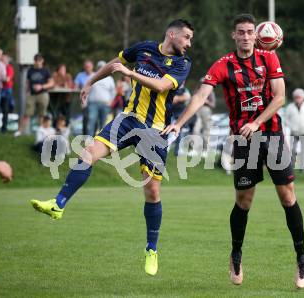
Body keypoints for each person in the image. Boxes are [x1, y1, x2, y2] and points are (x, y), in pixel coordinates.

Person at [29, 19, 194, 277]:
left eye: (190, 39)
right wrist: (90, 82)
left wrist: (130, 74)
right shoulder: (144, 49)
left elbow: (161, 86)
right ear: (171, 34)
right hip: (128, 119)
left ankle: (151, 249)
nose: (188, 43)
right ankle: (58, 204)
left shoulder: (183, 64)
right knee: (88, 153)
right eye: (186, 37)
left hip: (156, 129)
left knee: (151, 191)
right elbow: (114, 64)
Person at [163, 14, 304, 288]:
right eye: (240, 32)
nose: (245, 36)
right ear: (234, 36)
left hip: (272, 135)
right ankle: (236, 255)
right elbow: (200, 96)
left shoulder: (269, 58)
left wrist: (256, 122)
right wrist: (179, 124)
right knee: (244, 201)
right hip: (243, 141)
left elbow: (280, 98)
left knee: (288, 197)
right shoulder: (223, 65)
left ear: (256, 35)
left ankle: (301, 259)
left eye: (249, 32)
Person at [15, 53, 54, 136]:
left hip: (43, 94)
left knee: (42, 114)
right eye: (36, 60)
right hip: (32, 95)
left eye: (39, 60)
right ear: (34, 61)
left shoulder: (46, 70)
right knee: (27, 114)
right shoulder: (30, 70)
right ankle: (19, 131)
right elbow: (28, 82)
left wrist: (42, 86)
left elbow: (51, 83)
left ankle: (41, 133)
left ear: (42, 61)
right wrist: (27, 90)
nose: (38, 62)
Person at [285, 88, 304, 171]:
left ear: (303, 97)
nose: (298, 98)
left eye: (299, 97)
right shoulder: (290, 107)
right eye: (296, 97)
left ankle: (302, 167)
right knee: (293, 149)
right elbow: (286, 119)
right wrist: (291, 126)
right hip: (294, 132)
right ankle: (292, 166)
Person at [87, 60, 116, 136]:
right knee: (91, 122)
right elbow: (87, 89)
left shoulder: (110, 79)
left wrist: (111, 102)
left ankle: (99, 143)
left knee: (103, 125)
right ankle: (89, 141)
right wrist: (85, 102)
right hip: (93, 104)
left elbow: (113, 92)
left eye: (103, 67)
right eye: (99, 67)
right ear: (97, 68)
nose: (101, 68)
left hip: (105, 105)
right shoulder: (92, 76)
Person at [193, 78, 216, 155]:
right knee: (196, 129)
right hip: (197, 110)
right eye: (202, 82)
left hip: (206, 111)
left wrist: (207, 102)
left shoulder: (211, 92)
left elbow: (213, 105)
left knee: (206, 131)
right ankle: (195, 149)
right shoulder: (197, 91)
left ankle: (205, 150)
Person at [74, 60, 95, 135]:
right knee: (85, 118)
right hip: (84, 99)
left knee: (93, 118)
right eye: (86, 67)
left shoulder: (96, 75)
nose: (87, 68)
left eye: (89, 66)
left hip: (94, 99)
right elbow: (75, 87)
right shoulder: (80, 75)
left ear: (92, 67)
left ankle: (94, 135)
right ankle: (84, 135)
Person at [171, 81, 191, 156]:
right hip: (170, 113)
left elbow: (187, 97)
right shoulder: (173, 88)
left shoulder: (185, 90)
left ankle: (177, 151)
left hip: (180, 114)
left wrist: (177, 98)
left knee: (179, 133)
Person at [0, 54, 15, 133]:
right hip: (0, 89)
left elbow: (7, 79)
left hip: (6, 90)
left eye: (3, 59)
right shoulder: (0, 67)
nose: (2, 61)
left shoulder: (9, 68)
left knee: (5, 109)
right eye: (1, 59)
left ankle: (4, 128)